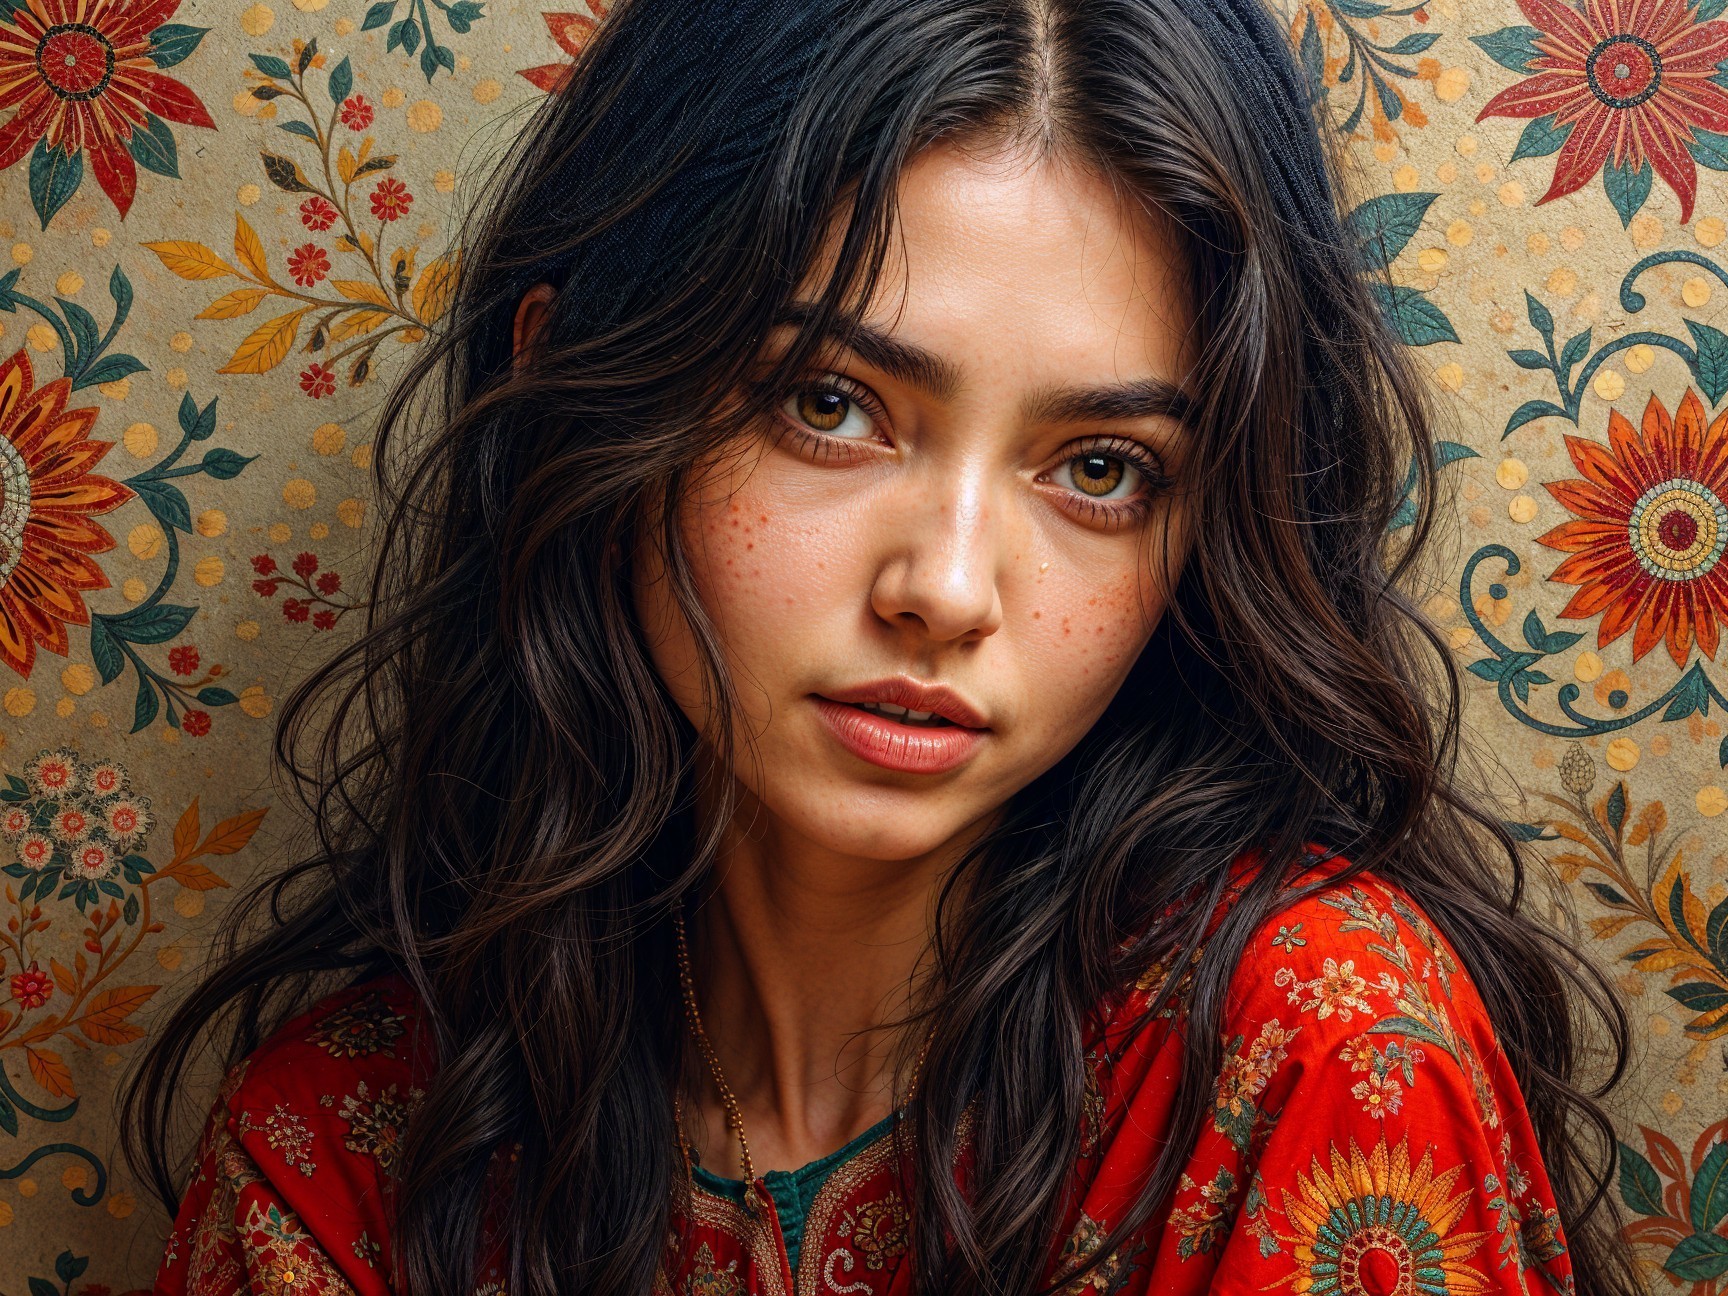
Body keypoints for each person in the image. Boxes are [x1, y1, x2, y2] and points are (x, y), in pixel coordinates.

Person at [123, 0, 1639, 1293]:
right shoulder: (343, 1153)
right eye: (830, 406)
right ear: (579, 391)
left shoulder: (1317, 1051)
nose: (949, 588)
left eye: (1100, 467)